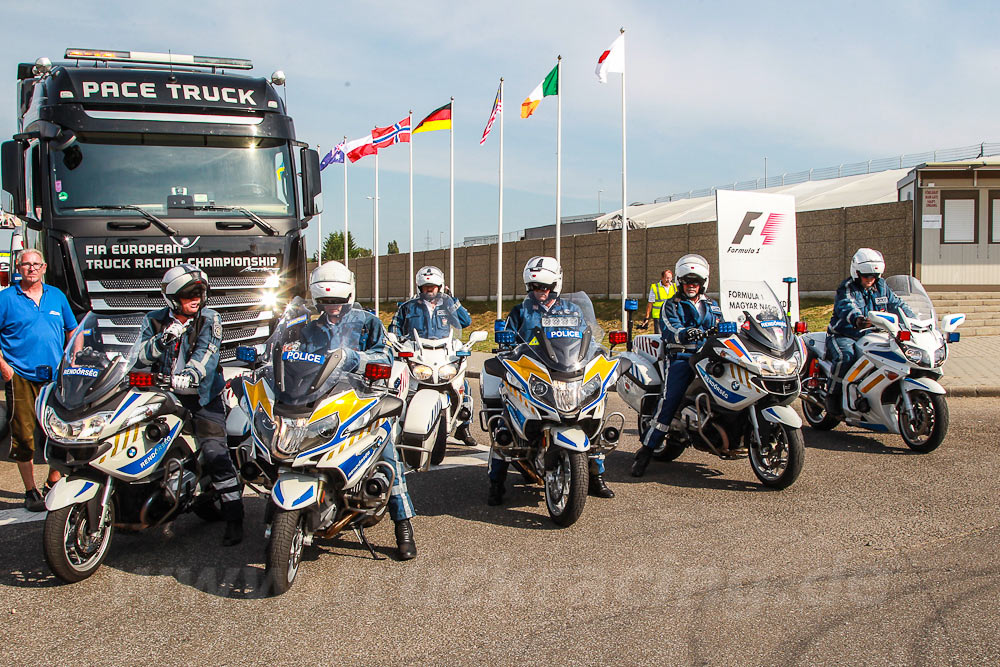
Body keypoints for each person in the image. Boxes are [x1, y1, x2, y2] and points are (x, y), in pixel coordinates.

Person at [307, 260, 418, 560]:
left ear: (349, 296)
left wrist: (352, 358)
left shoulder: (368, 322)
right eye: (326, 301)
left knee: (386, 452)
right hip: (314, 400)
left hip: (360, 398)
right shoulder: (307, 326)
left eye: (338, 301)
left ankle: (403, 525)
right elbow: (287, 352)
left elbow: (383, 355)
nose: (332, 307)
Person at [484, 256, 615, 504]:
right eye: (534, 287)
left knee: (593, 412)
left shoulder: (573, 309)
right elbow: (508, 341)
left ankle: (596, 477)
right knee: (504, 425)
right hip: (533, 372)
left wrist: (598, 350)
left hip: (565, 371)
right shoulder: (520, 311)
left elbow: (589, 336)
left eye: (544, 287)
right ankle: (496, 482)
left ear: (555, 285)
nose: (539, 292)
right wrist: (505, 347)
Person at [136, 264, 244, 545]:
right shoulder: (154, 319)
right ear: (172, 297)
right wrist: (161, 342)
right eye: (189, 294)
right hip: (161, 395)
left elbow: (207, 353)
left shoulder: (210, 319)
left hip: (202, 398)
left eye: (200, 292)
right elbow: (138, 355)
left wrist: (190, 375)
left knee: (214, 452)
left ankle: (234, 517)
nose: (196, 298)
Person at [632, 254, 723, 477]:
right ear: (680, 282)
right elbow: (669, 328)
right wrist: (684, 333)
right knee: (669, 401)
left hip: (710, 356)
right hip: (682, 357)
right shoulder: (671, 305)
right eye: (687, 281)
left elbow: (722, 325)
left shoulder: (712, 305)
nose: (691, 285)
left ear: (703, 283)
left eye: (696, 282)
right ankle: (647, 450)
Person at [0, 249, 77, 511]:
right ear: (18, 268)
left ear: (44, 267)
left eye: (36, 264)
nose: (31, 269)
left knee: (59, 432)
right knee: (24, 436)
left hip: (55, 377)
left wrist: (73, 359)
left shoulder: (56, 296)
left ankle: (52, 484)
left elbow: (73, 330)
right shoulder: (6, 298)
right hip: (20, 376)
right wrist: (4, 367)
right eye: (26, 265)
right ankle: (30, 490)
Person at [389, 266, 475, 446]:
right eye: (426, 287)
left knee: (462, 384)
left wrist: (453, 300)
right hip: (419, 352)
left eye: (433, 287)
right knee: (401, 385)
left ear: (441, 287)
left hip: (444, 351)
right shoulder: (408, 307)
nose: (430, 290)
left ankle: (463, 426)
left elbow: (465, 322)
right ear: (420, 288)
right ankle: (398, 422)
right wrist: (395, 341)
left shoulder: (448, 305)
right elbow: (394, 328)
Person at [826, 248, 913, 417]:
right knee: (846, 356)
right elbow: (847, 306)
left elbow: (898, 304)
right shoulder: (847, 288)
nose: (870, 279)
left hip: (875, 334)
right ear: (857, 273)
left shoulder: (882, 287)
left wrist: (915, 320)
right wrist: (858, 319)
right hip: (845, 334)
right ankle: (833, 395)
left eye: (874, 276)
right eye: (866, 276)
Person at [642, 269, 676, 333]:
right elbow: (650, 303)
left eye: (670, 278)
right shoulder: (655, 287)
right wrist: (647, 317)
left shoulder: (675, 287)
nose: (668, 280)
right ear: (662, 278)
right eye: (666, 278)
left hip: (671, 315)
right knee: (659, 336)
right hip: (658, 316)